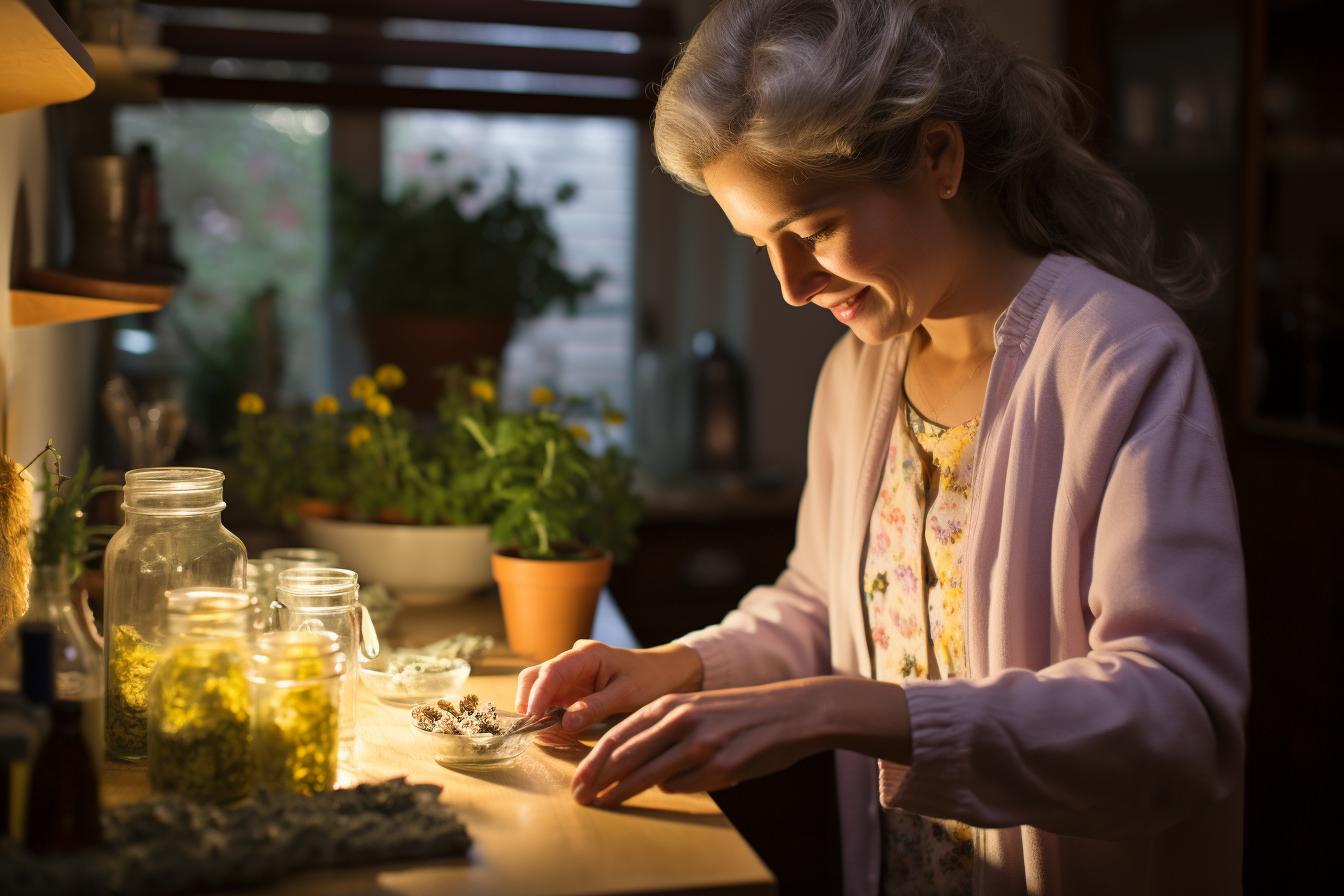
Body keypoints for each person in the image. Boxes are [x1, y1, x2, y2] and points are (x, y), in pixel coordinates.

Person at [516, 1, 1248, 893]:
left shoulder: (1118, 359)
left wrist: (840, 709)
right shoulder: (859, 373)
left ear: (938, 157)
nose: (791, 286)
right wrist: (678, 668)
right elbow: (823, 605)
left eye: (813, 230)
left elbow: (1176, 720)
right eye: (762, 246)